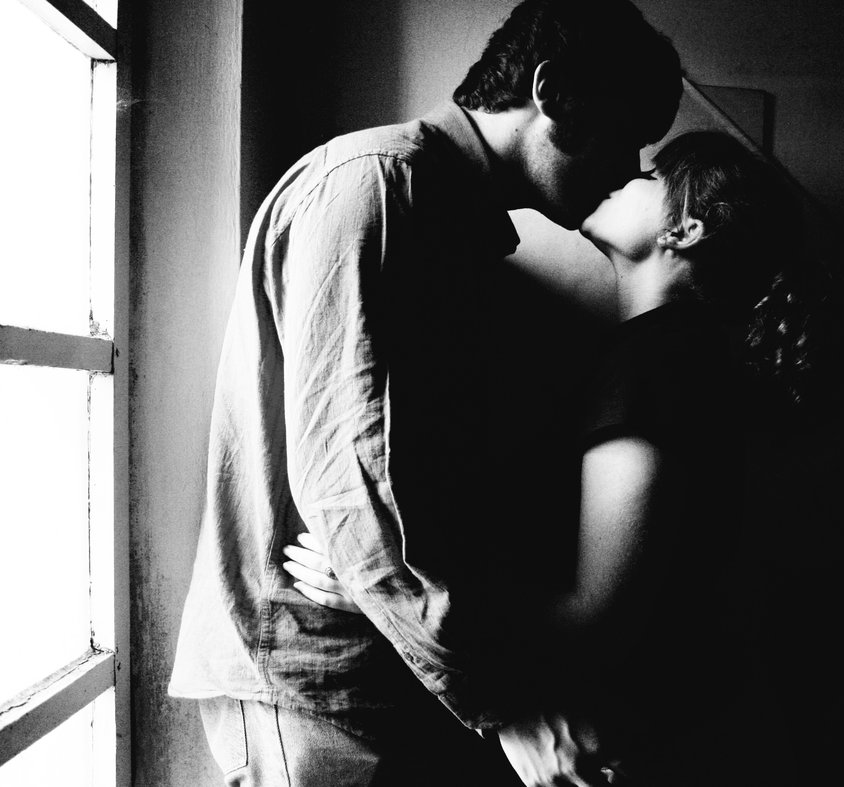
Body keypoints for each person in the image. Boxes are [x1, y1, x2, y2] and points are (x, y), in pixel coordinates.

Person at [168, 1, 683, 785]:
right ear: (553, 93)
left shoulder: (444, 217)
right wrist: (507, 707)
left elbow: (410, 489)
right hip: (314, 691)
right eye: (625, 133)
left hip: (368, 678)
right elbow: (352, 485)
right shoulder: (378, 190)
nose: (628, 167)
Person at [284, 129, 821, 785]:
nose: (625, 172)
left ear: (684, 230)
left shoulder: (657, 362)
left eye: (649, 175)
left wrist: (388, 593)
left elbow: (597, 616)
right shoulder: (670, 357)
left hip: (626, 747)